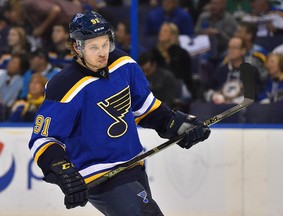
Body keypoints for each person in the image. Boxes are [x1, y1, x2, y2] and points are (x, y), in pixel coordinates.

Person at [28, 11, 210, 215]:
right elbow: (43, 139)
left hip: (134, 166)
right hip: (100, 175)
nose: (102, 53)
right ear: (76, 47)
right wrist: (61, 169)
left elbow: (146, 109)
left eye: (105, 44)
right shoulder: (63, 87)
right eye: (93, 47)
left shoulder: (123, 64)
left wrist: (177, 124)